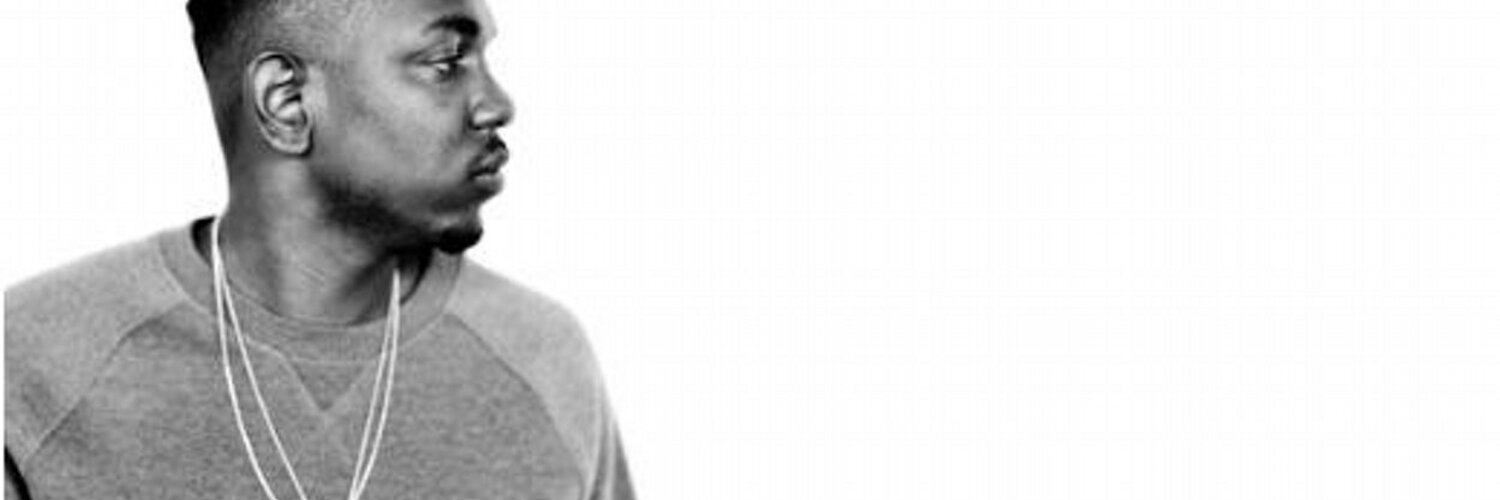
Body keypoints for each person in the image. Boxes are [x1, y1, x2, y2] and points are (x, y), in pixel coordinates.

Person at [4, 0, 634, 498]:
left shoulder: (543, 360)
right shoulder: (37, 363)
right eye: (446, 62)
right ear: (287, 102)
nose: (497, 105)